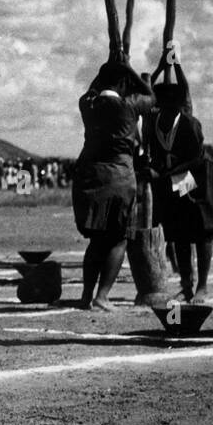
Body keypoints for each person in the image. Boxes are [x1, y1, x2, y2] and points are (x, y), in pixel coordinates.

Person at [71, 54, 153, 311]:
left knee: (96, 239)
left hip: (89, 174)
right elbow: (152, 96)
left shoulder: (88, 104)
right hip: (118, 175)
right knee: (118, 239)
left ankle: (86, 295)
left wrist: (111, 66)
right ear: (123, 84)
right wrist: (128, 69)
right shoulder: (129, 107)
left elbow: (93, 88)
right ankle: (102, 295)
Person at [146, 53, 213, 304]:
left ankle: (202, 287)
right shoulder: (153, 123)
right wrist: (160, 68)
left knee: (201, 231)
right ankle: (186, 284)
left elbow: (197, 159)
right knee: (178, 231)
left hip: (197, 177)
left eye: (167, 107)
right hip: (174, 179)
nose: (162, 110)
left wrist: (176, 64)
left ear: (176, 107)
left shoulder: (189, 123)